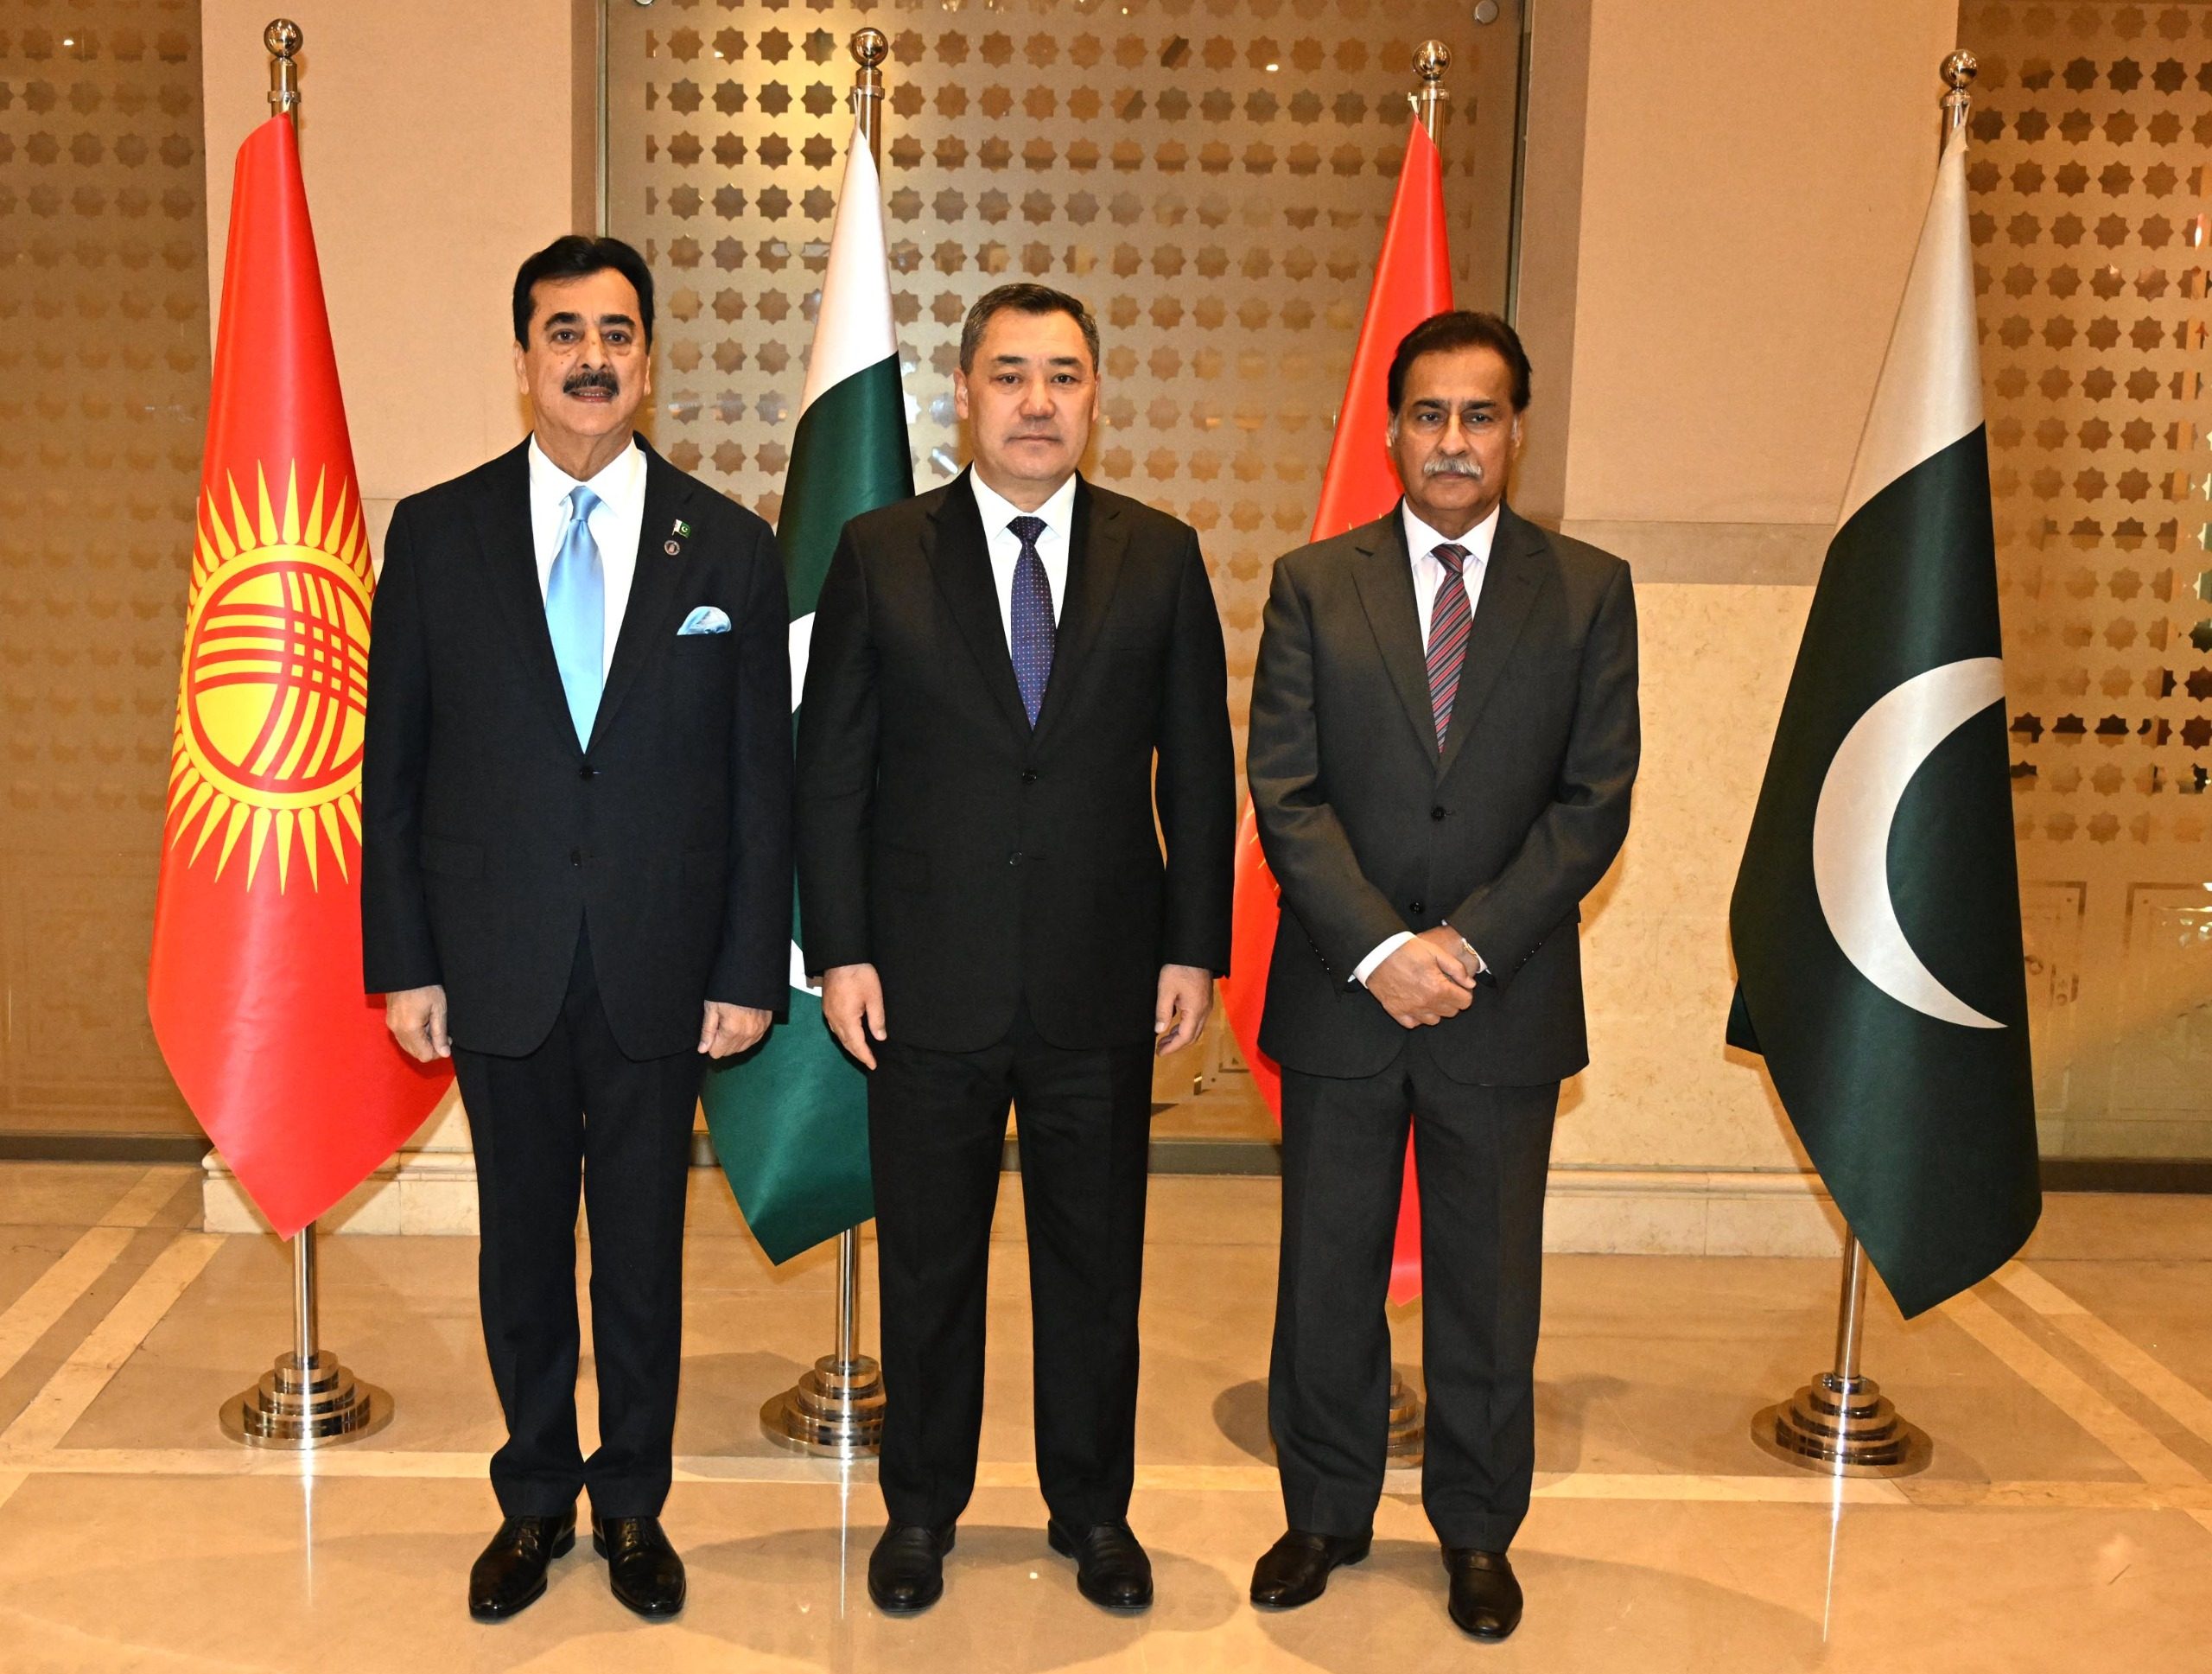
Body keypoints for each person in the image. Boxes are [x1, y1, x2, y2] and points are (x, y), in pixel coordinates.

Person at [361, 234, 793, 1623]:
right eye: (564, 332)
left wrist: (748, 966)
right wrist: (404, 959)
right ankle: (536, 1495)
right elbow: (393, 769)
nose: (591, 358)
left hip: (663, 967)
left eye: (616, 333)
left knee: (645, 1257)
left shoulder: (730, 544)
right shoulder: (437, 534)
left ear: (649, 362)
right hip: (497, 960)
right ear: (523, 360)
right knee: (523, 1250)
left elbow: (762, 787)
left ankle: (633, 1504)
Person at [796, 283, 1235, 1615]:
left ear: (1095, 396)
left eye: (1063, 375)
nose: (1037, 401)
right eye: (1009, 374)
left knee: (1095, 1268)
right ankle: (920, 1508)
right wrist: (841, 949)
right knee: (929, 1266)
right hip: (924, 983)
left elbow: (1198, 770)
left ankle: (1093, 1509)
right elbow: (832, 773)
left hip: (1103, 981)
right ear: (962, 396)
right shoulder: (880, 551)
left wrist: (1194, 946)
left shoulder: (1161, 554)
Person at [1244, 310, 1639, 1642]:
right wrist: (1380, 950)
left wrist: (1462, 947)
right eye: (1429, 414)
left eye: (1479, 414)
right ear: (1393, 431)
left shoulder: (1587, 589)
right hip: (1344, 994)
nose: (1453, 439)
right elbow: (1287, 790)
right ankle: (1324, 1511)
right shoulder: (1314, 584)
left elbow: (1593, 802)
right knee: (1327, 1275)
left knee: (1488, 1284)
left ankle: (1476, 1529)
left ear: (1517, 428)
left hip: (1499, 998)